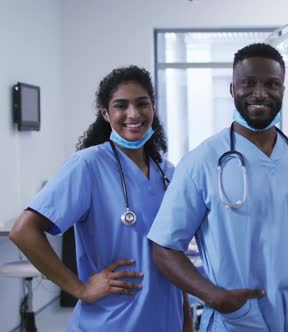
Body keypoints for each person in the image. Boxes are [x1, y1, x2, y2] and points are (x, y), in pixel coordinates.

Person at [147, 43, 288, 332]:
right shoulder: (202, 162)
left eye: (271, 84)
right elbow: (164, 248)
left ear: (283, 91)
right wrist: (214, 297)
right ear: (231, 89)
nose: (260, 93)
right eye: (248, 83)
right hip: (236, 321)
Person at [9, 66, 190, 331]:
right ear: (105, 114)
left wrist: (186, 318)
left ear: (153, 108)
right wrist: (79, 288)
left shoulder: (166, 170)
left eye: (142, 103)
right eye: (121, 105)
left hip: (166, 319)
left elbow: (174, 251)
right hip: (111, 322)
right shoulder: (88, 165)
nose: (133, 114)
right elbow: (23, 231)